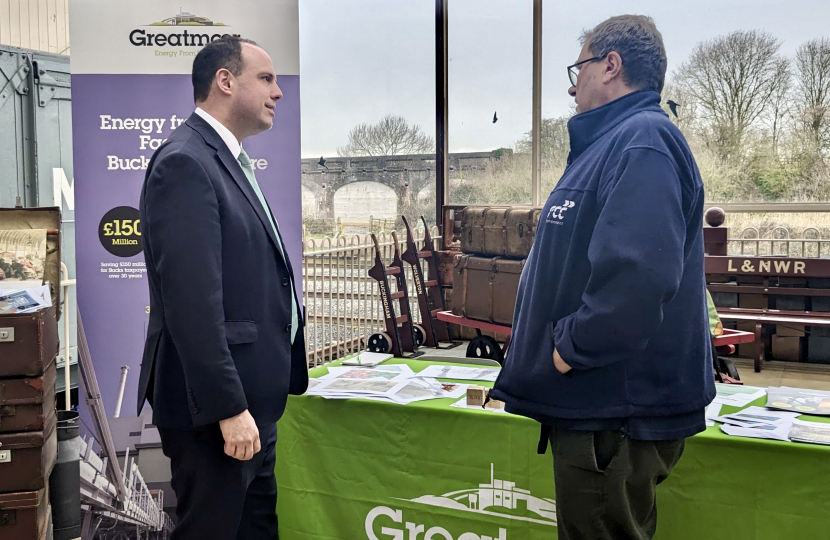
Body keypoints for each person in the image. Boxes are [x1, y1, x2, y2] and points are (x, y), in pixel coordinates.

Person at [489, 15, 714, 540]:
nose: (572, 83)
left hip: (612, 412)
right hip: (601, 406)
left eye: (580, 66)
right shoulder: (615, 143)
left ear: (611, 65)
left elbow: (636, 280)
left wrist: (568, 350)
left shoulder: (642, 142)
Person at [136, 36, 307, 540]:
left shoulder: (224, 160)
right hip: (216, 413)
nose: (278, 92)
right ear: (225, 81)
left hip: (251, 407)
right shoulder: (186, 163)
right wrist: (229, 409)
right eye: (266, 78)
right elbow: (193, 306)